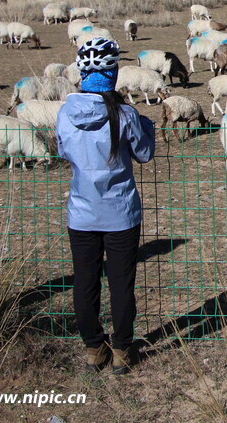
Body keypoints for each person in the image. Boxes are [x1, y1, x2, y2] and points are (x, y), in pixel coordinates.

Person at [56, 37, 155, 374]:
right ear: (112, 74)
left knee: (85, 282)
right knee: (121, 283)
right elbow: (143, 154)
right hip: (121, 214)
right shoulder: (125, 114)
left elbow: (63, 152)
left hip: (82, 213)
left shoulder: (65, 113)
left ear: (82, 74)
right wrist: (146, 127)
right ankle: (123, 351)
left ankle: (94, 349)